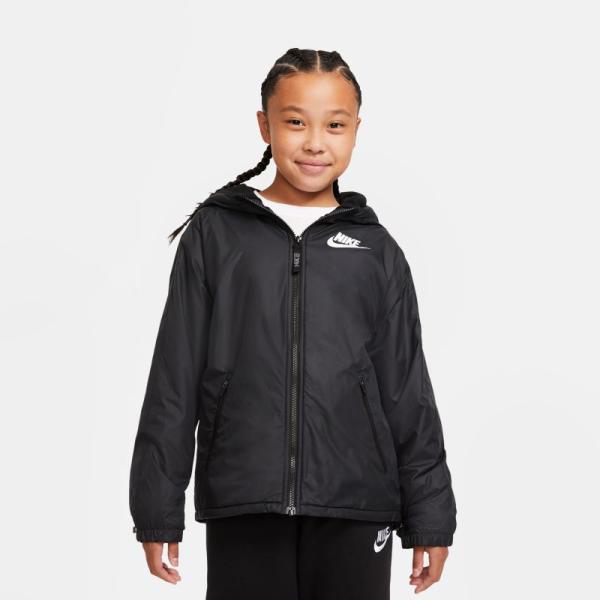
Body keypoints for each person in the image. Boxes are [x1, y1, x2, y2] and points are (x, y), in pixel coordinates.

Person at [129, 47, 457, 599]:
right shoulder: (217, 234)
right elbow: (174, 377)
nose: (315, 143)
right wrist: (156, 508)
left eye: (335, 125)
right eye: (296, 122)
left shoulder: (376, 250)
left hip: (357, 503)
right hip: (244, 498)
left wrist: (430, 516)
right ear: (265, 126)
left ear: (356, 130)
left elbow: (407, 391)